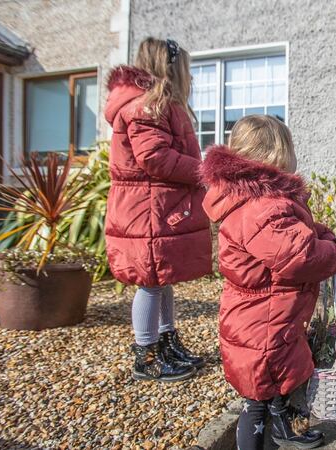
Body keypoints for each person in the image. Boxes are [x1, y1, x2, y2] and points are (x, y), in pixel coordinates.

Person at [201, 115, 336, 449]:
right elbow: (301, 256)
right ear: (276, 155)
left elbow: (300, 233)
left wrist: (322, 234)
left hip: (269, 317)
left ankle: (283, 429)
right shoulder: (263, 207)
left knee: (276, 384)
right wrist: (334, 253)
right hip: (262, 324)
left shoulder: (260, 201)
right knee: (257, 400)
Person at [104, 37, 212, 382]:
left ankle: (167, 342)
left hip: (155, 206)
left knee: (161, 277)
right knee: (150, 281)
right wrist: (202, 171)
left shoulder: (153, 104)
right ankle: (146, 356)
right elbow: (154, 157)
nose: (189, 76)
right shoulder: (146, 105)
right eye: (186, 68)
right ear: (171, 67)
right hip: (146, 209)